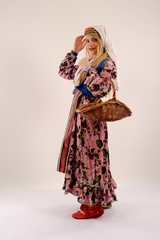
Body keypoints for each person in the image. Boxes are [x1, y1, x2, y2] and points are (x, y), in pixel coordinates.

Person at [57, 25, 119, 219]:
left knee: (91, 156)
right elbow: (64, 72)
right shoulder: (88, 60)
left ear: (101, 41)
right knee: (82, 155)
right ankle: (94, 201)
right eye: (87, 40)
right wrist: (74, 52)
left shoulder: (106, 63)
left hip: (92, 120)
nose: (90, 44)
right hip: (79, 116)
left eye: (94, 40)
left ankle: (92, 206)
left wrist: (88, 68)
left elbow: (101, 89)